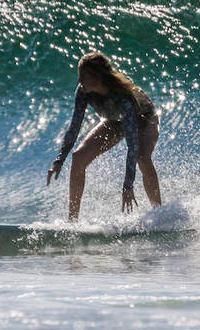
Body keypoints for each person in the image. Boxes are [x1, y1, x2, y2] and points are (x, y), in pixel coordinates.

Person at [47, 51, 162, 219]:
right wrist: (59, 159)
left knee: (142, 157)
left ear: (98, 76)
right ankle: (72, 221)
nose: (79, 81)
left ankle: (160, 214)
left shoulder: (124, 97)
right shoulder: (83, 91)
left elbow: (132, 146)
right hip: (115, 121)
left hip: (144, 119)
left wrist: (127, 186)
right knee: (78, 157)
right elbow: (74, 127)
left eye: (83, 76)